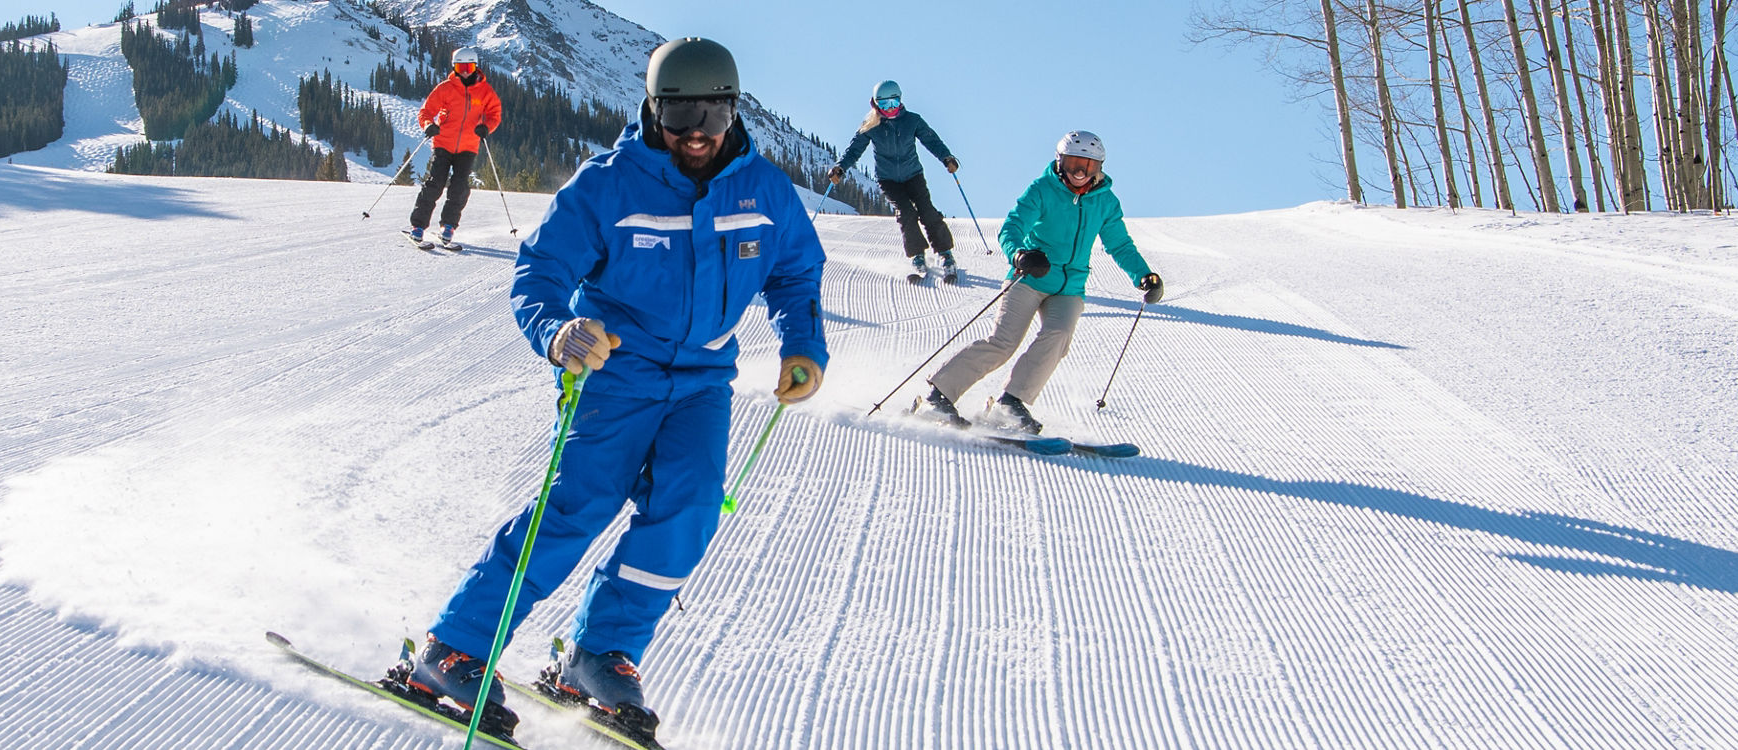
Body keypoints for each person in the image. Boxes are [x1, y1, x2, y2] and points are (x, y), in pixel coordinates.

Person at [391, 37, 827, 744]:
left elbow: (797, 273)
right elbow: (538, 276)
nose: (695, 130)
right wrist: (559, 333)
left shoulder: (764, 188)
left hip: (703, 381)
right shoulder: (608, 184)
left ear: (733, 110)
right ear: (653, 107)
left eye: (712, 114)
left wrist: (803, 343)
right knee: (577, 507)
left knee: (686, 509)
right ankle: (456, 649)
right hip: (615, 373)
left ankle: (598, 657)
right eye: (678, 110)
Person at [921, 130, 1161, 434]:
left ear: (1099, 167)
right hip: (1032, 276)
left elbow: (1120, 245)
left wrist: (1143, 276)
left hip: (1069, 287)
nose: (1079, 171)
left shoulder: (1106, 202)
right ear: (1060, 162)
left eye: (1087, 166)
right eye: (1073, 162)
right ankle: (938, 396)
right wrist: (1019, 254)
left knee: (1058, 336)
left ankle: (1011, 404)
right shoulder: (1042, 189)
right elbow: (1012, 227)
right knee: (1003, 342)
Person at [825, 80, 960, 280]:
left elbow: (932, 140)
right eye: (885, 104)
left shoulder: (912, 120)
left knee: (927, 211)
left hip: (913, 175)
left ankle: (945, 253)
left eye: (894, 103)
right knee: (906, 213)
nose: (890, 109)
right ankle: (917, 255)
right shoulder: (871, 124)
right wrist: (840, 167)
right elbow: (854, 149)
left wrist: (946, 157)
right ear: (875, 104)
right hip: (888, 180)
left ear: (900, 100)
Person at [404, 47, 504, 250]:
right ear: (454, 67)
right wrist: (429, 126)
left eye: (469, 66)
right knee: (435, 184)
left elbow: (495, 114)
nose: (465, 71)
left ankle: (448, 226)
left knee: (459, 187)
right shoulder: (446, 88)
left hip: (469, 146)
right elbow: (425, 112)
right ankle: (418, 226)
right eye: (461, 67)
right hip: (443, 143)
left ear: (476, 67)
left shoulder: (485, 92)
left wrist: (487, 127)